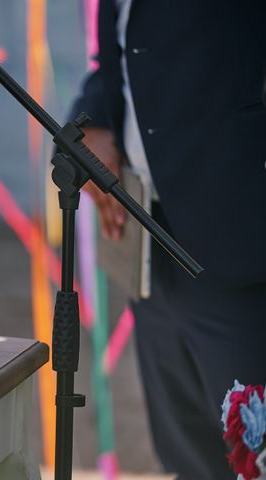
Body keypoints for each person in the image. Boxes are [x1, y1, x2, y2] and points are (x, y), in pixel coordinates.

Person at [72, 0, 266, 478]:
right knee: (188, 451)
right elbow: (125, 47)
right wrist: (95, 116)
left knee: (254, 454)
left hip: (242, 225)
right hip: (147, 227)